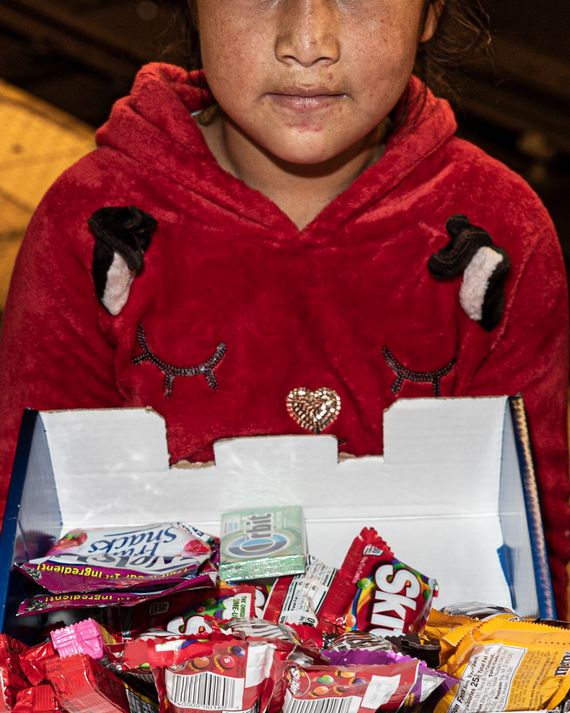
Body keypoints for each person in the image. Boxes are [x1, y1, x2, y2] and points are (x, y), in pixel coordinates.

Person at [0, 0, 568, 614]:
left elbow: (541, 542)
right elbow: (24, 524)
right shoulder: (92, 222)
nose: (305, 41)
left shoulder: (500, 231)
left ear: (431, 12)